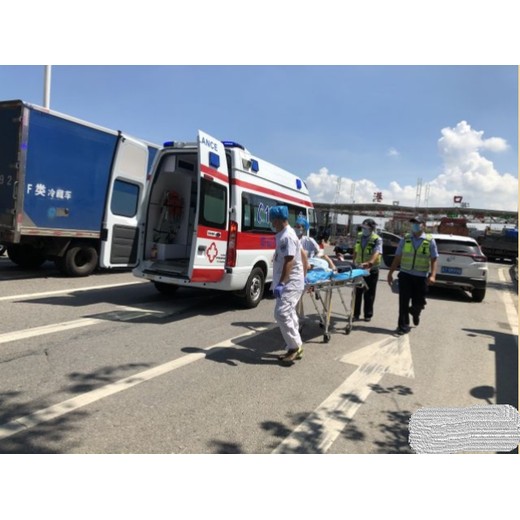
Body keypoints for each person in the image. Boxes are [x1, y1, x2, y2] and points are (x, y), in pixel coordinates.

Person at [387, 216, 438, 335]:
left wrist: (433, 275)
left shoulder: (430, 240)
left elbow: (434, 259)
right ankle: (402, 326)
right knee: (403, 301)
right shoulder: (405, 239)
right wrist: (390, 273)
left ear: (423, 225)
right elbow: (398, 257)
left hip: (421, 277)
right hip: (405, 275)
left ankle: (415, 312)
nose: (414, 225)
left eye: (417, 223)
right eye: (413, 223)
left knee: (419, 302)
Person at [270, 206, 305, 362]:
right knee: (289, 313)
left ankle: (294, 347)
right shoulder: (283, 235)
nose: (271, 223)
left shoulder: (288, 237)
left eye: (272, 220)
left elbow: (289, 261)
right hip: (286, 281)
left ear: (278, 220)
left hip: (291, 282)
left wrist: (282, 283)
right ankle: (295, 346)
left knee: (282, 313)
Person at [352, 218, 382, 322]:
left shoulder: (376, 239)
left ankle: (368, 314)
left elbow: (377, 251)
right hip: (359, 268)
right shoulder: (359, 236)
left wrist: (370, 263)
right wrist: (353, 261)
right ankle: (355, 314)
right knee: (357, 292)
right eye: (363, 227)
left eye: (366, 227)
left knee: (369, 293)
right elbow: (356, 249)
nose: (364, 229)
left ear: (372, 228)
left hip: (371, 269)